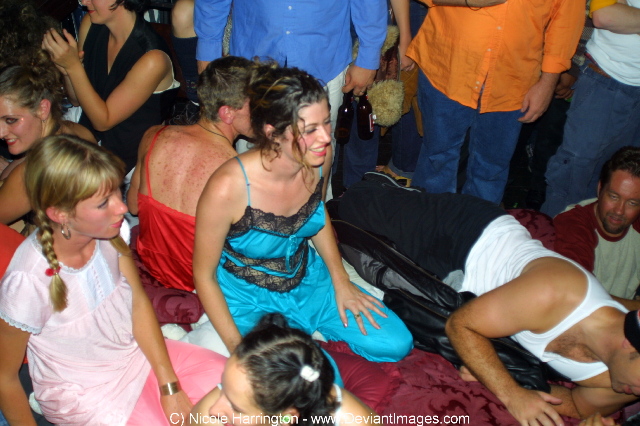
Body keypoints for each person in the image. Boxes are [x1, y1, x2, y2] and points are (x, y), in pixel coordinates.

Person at [335, 178, 640, 425]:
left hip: (467, 290)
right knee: (346, 207)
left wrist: (511, 379)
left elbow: (578, 404)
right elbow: (461, 326)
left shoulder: (624, 383)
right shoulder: (555, 293)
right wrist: (510, 394)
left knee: (364, 249)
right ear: (629, 344)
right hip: (471, 236)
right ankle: (393, 188)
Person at [0, 135, 226, 425]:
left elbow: (138, 303)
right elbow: (5, 377)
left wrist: (169, 385)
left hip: (135, 353)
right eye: (103, 202)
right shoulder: (27, 281)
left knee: (232, 384)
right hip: (86, 392)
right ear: (61, 214)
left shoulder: (112, 233)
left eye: (118, 191)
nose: (122, 208)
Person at [193, 65, 412, 362]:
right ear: (272, 132)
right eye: (310, 129)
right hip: (251, 300)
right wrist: (238, 350)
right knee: (313, 381)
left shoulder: (319, 158)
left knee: (397, 344)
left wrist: (340, 280)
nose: (325, 138)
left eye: (326, 122)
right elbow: (203, 275)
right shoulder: (227, 187)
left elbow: (316, 216)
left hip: (309, 281)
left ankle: (314, 328)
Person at [194, 0, 388, 198]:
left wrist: (368, 56)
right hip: (253, 58)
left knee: (315, 161)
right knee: (252, 162)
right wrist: (208, 49)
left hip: (324, 58)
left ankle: (315, 212)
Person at [405, 0, 583, 204]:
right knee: (436, 158)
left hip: (513, 78)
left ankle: (480, 223)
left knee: (491, 169)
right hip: (447, 64)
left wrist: (548, 82)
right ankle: (427, 219)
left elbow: (566, 21)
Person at [127, 56, 253, 292]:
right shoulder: (240, 173)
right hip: (204, 286)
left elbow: (133, 206)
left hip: (151, 266)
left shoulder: (154, 135)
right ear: (227, 113)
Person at [42, 0, 178, 174]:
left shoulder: (153, 59)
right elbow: (76, 100)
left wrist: (73, 67)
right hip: (88, 132)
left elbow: (103, 122)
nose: (83, 1)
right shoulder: (90, 24)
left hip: (126, 158)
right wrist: (68, 72)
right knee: (37, 131)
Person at [542, 0, 640, 217]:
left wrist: (630, 17)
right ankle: (559, 236)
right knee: (573, 179)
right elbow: (606, 15)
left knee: (629, 185)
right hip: (607, 79)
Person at [192, 313, 378, 426]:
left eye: (236, 408)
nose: (214, 409)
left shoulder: (356, 421)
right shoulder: (209, 414)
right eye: (223, 387)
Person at [0, 64, 95, 227]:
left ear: (43, 109)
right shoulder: (74, 130)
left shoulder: (32, 173)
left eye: (11, 120)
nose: (1, 133)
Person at [554, 147, 640, 300]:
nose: (619, 210)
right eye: (614, 197)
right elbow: (579, 297)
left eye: (632, 203)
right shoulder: (572, 225)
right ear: (600, 189)